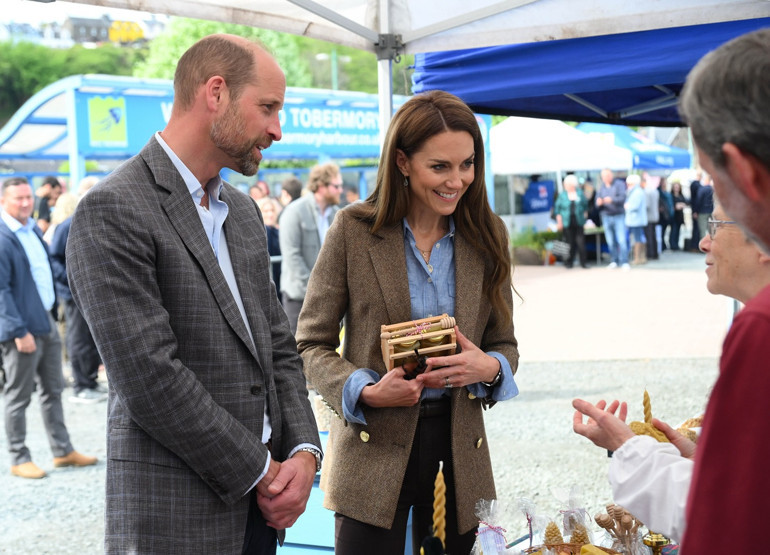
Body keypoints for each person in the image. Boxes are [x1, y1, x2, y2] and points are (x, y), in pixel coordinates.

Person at [65, 34, 322, 553]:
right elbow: (150, 378)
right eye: (268, 107)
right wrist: (263, 471)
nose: (277, 128)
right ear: (216, 93)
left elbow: (277, 347)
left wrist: (303, 451)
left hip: (263, 516)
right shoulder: (113, 209)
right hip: (177, 517)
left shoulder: (244, 213)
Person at [295, 90, 519, 555]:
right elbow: (310, 343)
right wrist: (364, 389)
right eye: (440, 166)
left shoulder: (487, 234)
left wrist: (490, 368)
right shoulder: (353, 231)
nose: (457, 180)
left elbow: (504, 343)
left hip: (459, 449)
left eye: (467, 164)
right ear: (402, 161)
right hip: (371, 444)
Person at [571, 201, 770, 542]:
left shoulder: (760, 326)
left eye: (715, 227)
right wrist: (703, 461)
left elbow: (717, 512)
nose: (703, 243)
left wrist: (627, 446)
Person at [670, 27, 770, 554]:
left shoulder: (761, 327)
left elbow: (728, 534)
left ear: (746, 172)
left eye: (714, 178)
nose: (708, 238)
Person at [1, 177, 97, 479]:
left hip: (45, 322)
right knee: (18, 396)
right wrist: (17, 331)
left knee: (53, 390)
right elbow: (1, 291)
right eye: (19, 198)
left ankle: (62, 451)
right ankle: (18, 457)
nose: (26, 203)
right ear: (4, 200)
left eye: (29, 197)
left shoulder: (30, 231)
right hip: (23, 330)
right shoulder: (4, 237)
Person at [49, 177, 106, 404]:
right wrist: (72, 281)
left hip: (94, 294)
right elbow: (55, 259)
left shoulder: (98, 220)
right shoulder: (68, 225)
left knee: (91, 339)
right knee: (78, 339)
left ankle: (90, 381)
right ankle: (81, 385)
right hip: (74, 295)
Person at [278, 162, 342, 333]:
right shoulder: (294, 212)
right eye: (336, 186)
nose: (340, 190)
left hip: (326, 298)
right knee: (296, 353)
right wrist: (316, 289)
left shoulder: (336, 214)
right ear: (321, 186)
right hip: (298, 297)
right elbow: (292, 257)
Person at [596, 168, 629, 270]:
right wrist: (599, 202)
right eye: (603, 176)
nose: (605, 178)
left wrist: (612, 200)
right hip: (606, 216)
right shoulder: (601, 187)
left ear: (611, 175)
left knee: (621, 240)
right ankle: (614, 260)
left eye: (607, 176)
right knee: (610, 241)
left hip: (618, 215)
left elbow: (623, 198)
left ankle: (624, 261)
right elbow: (596, 202)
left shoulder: (619, 184)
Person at [554, 174, 588, 268]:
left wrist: (585, 218)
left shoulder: (580, 193)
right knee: (569, 243)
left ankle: (583, 262)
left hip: (578, 221)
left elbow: (585, 206)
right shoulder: (562, 195)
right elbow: (557, 209)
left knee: (581, 243)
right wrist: (559, 222)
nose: (566, 186)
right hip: (567, 222)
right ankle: (569, 262)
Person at [257, 196, 283, 301]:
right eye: (266, 211)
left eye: (272, 210)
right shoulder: (261, 233)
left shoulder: (278, 232)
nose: (270, 214)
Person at [624, 174, 647, 266]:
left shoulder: (636, 192)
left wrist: (627, 206)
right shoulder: (637, 191)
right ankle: (641, 258)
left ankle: (638, 258)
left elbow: (635, 206)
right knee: (640, 238)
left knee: (637, 239)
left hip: (636, 220)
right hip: (636, 220)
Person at [643, 174, 659, 260]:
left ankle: (650, 253)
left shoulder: (647, 192)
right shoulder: (655, 191)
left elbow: (646, 205)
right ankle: (655, 253)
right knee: (653, 236)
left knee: (649, 236)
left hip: (649, 217)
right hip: (655, 216)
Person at [658, 177, 674, 251]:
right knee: (662, 231)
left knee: (665, 231)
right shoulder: (659, 192)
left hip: (668, 214)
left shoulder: (667, 192)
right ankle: (662, 245)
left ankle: (664, 244)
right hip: (662, 215)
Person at [669, 180, 687, 251]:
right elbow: (672, 205)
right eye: (675, 187)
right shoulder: (671, 196)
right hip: (674, 216)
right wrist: (677, 206)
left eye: (677, 187)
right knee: (673, 230)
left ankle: (676, 244)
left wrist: (681, 205)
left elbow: (685, 202)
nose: (676, 188)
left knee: (678, 231)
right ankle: (672, 244)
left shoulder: (681, 195)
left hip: (680, 216)